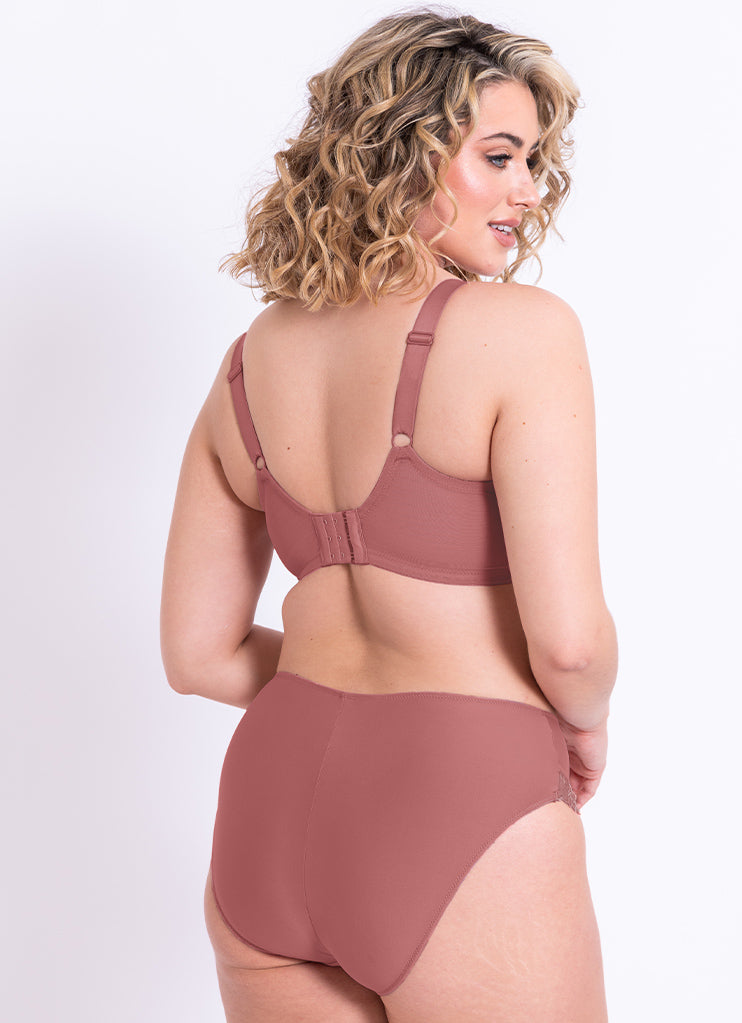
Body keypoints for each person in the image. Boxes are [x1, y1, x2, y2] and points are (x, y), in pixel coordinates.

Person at [161, 9, 617, 1022]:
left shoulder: (247, 366)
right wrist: (581, 725)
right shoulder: (522, 333)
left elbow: (197, 655)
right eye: (498, 156)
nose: (528, 190)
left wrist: (347, 689)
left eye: (532, 161)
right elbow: (571, 645)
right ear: (399, 153)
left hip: (270, 817)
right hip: (462, 797)